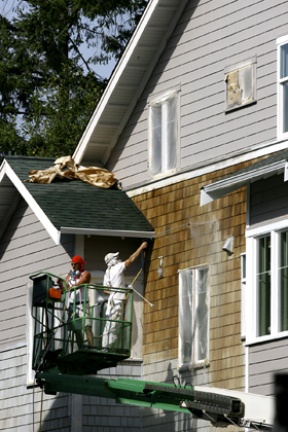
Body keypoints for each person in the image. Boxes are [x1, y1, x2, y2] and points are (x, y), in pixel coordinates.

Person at [102, 241, 147, 351]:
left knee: (110, 323)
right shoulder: (117, 268)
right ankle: (108, 347)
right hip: (117, 301)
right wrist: (141, 247)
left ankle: (106, 346)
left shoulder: (107, 272)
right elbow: (131, 259)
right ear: (112, 261)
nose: (118, 259)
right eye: (116, 258)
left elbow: (105, 290)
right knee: (115, 323)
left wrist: (116, 292)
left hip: (112, 301)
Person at [58, 255, 94, 348]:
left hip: (82, 304)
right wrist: (60, 284)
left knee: (87, 326)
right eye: (72, 264)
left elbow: (83, 281)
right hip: (72, 305)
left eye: (75, 264)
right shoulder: (69, 276)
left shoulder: (86, 274)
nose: (73, 267)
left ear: (80, 265)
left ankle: (91, 347)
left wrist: (72, 286)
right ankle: (81, 347)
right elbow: (65, 289)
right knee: (76, 329)